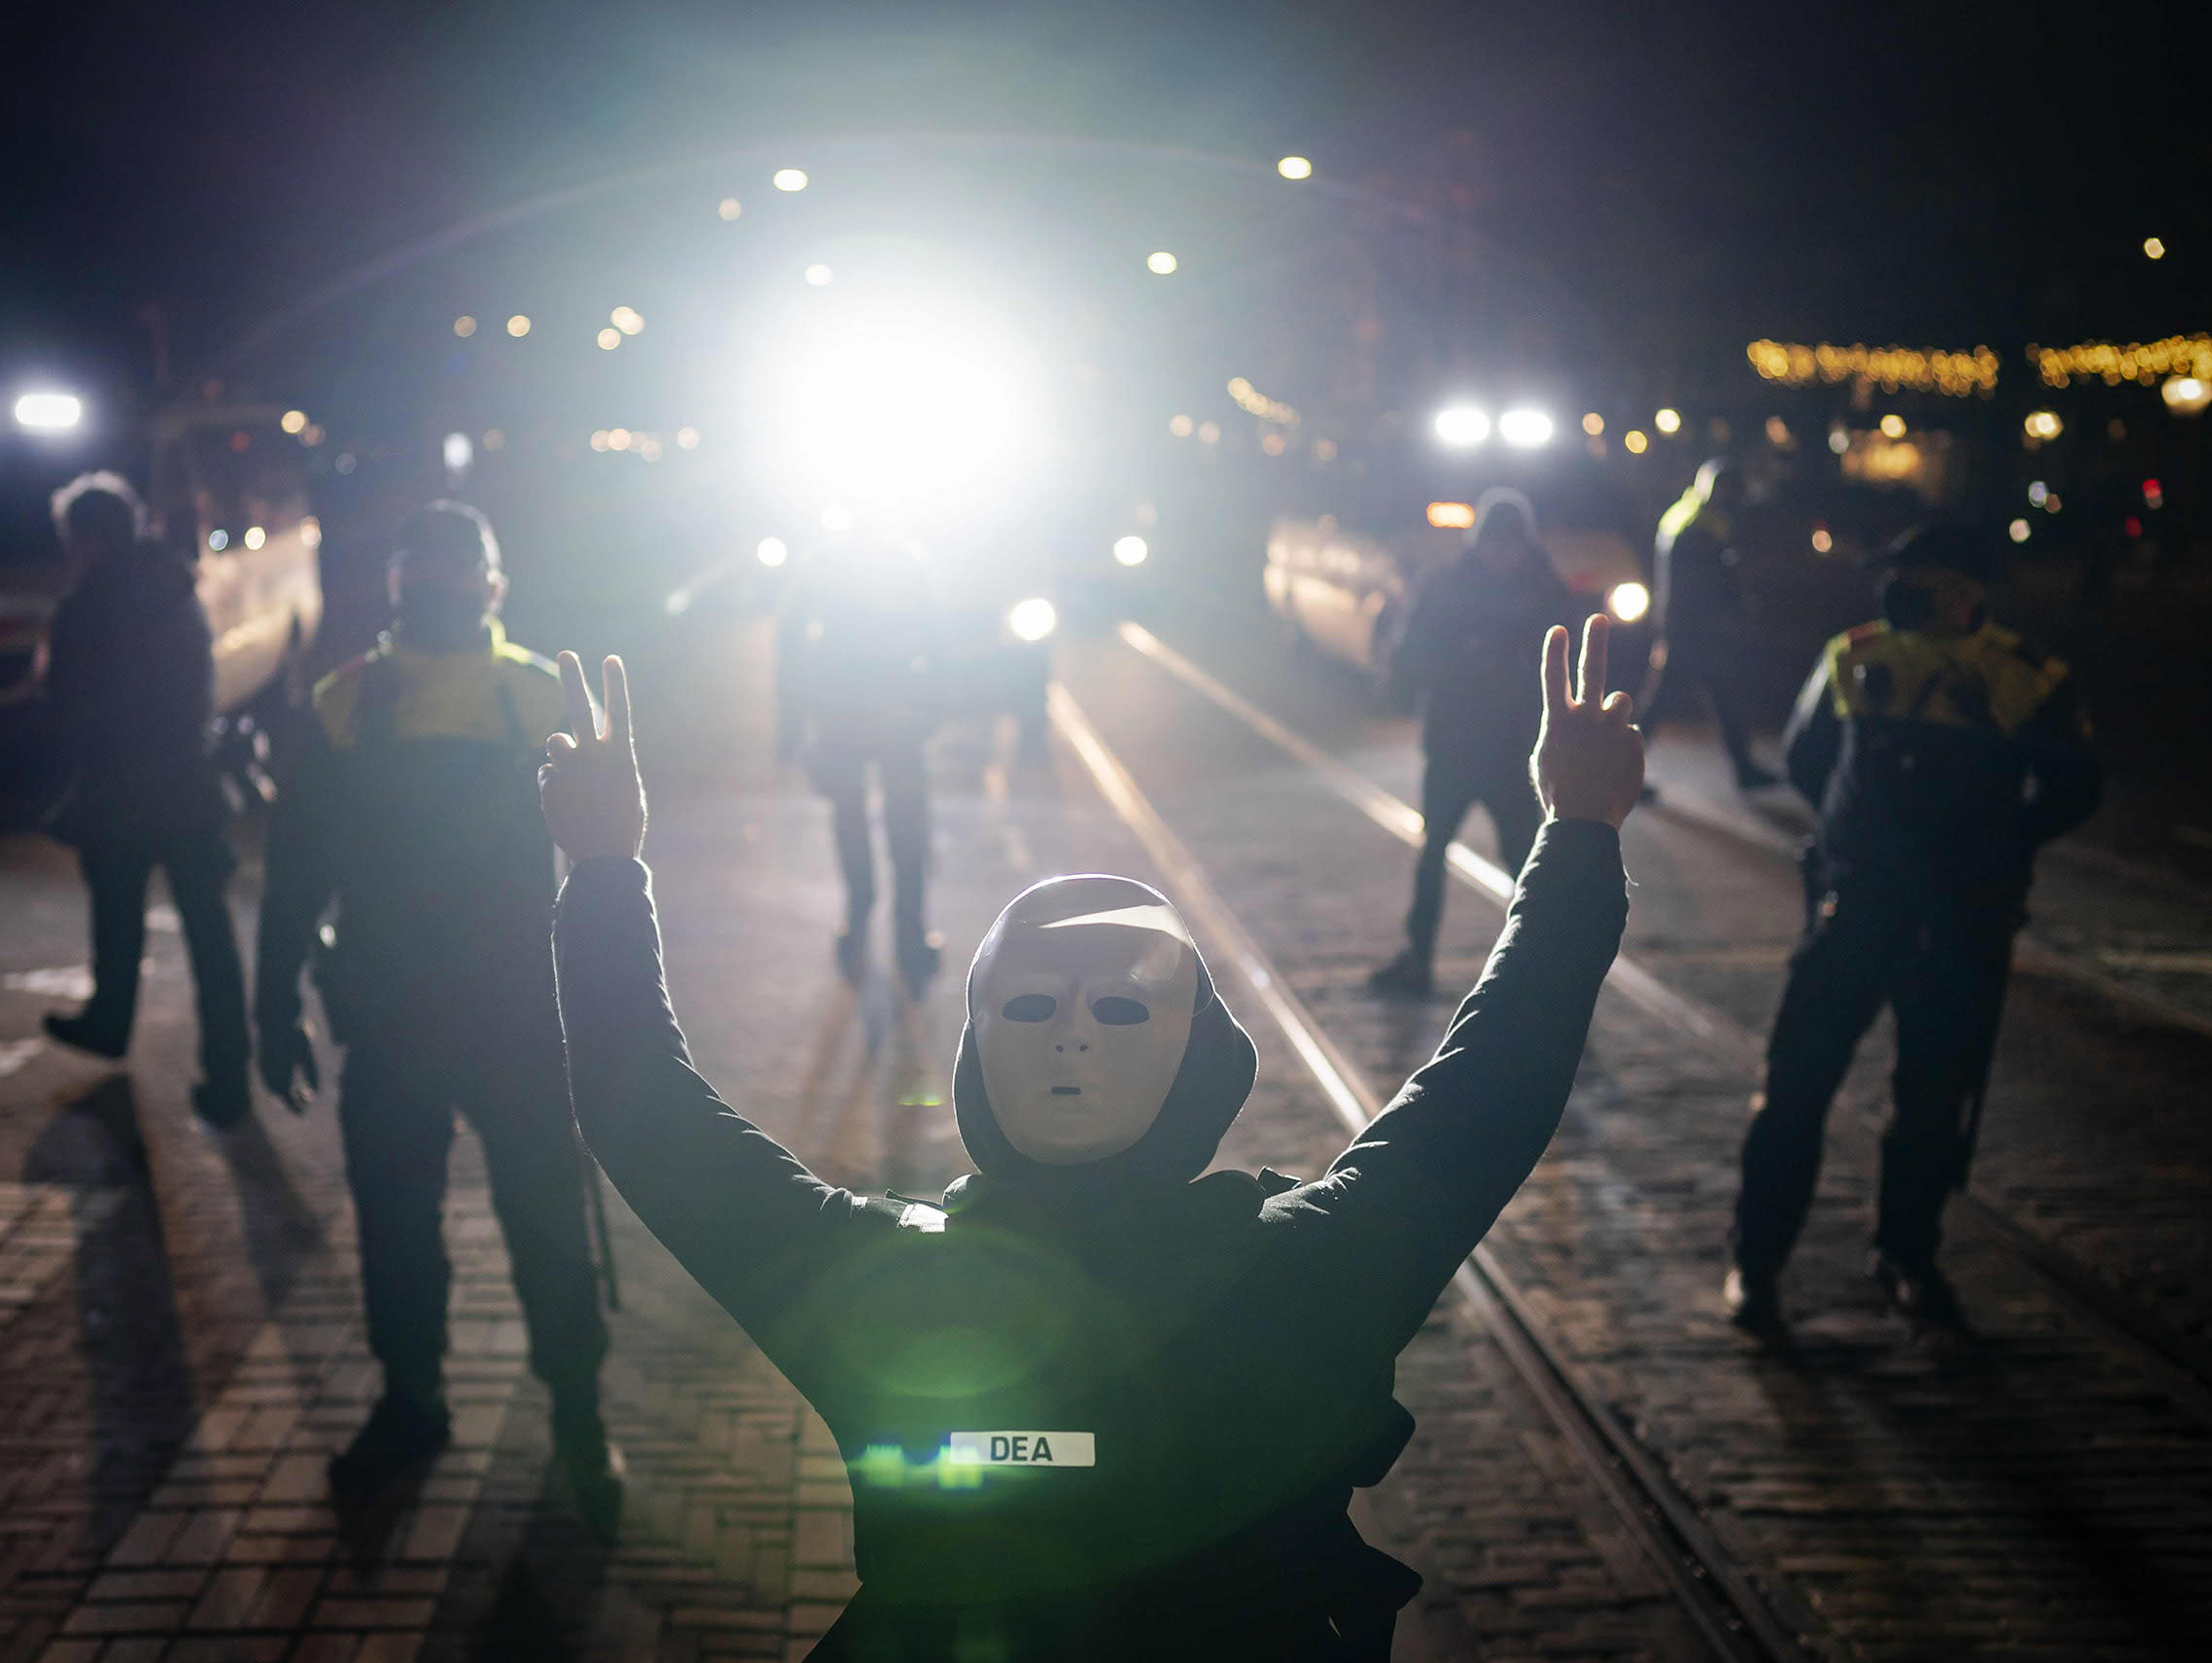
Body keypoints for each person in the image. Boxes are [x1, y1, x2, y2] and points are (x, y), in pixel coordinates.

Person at [541, 617, 1644, 1660]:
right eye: (1030, 1008)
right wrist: (1577, 834)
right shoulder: (1314, 1265)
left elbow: (644, 1111)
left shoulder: (872, 1284)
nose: (1071, 1040)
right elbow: (1493, 1083)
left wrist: (602, 869)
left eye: (1118, 1009)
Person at [252, 501, 620, 1528]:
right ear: (396, 585)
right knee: (397, 1225)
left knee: (546, 1222)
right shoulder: (343, 702)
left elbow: (606, 863)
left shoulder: (546, 694)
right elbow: (293, 875)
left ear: (494, 589)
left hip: (518, 1017)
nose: (442, 590)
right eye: (425, 573)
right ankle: (413, 1401)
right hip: (391, 1016)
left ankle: (578, 1411)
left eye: (459, 574)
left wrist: (611, 997)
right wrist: (271, 1002)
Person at [1725, 524, 2101, 1332]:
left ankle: (1907, 1253)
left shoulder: (2021, 676)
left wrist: (1998, 848)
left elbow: (2074, 784)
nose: (1898, 592)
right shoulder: (1856, 656)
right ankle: (1757, 1263)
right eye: (1895, 576)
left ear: (1968, 592)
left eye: (1918, 579)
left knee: (1931, 1104)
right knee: (1794, 1088)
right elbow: (1808, 758)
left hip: (1957, 923)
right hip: (1859, 906)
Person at [41, 471, 252, 1126]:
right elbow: (200, 687)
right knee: (209, 935)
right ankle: (229, 1070)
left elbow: (64, 706)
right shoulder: (177, 589)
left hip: (118, 792)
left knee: (117, 916)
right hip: (186, 784)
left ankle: (109, 1021)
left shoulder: (85, 608)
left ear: (88, 538)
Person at [1370, 489, 1580, 996]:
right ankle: (1421, 957)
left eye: (1509, 546)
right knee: (1443, 851)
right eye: (1496, 544)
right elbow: (1410, 657)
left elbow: (1565, 666)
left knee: (1525, 864)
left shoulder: (1522, 590)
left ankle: (1536, 965)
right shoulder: (1518, 588)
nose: (1502, 555)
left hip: (1507, 751)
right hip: (1462, 746)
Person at [775, 536, 944, 989]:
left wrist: (791, 723)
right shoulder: (906, 561)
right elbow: (938, 638)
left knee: (849, 814)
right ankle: (910, 936)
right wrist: (933, 705)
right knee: (906, 821)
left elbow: (789, 640)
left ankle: (857, 920)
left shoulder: (825, 562)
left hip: (841, 708)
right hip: (897, 706)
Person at [1640, 458, 1778, 791]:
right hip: (1696, 630)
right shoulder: (1701, 524)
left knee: (1715, 697)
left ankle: (1745, 770)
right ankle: (1616, 774)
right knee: (1686, 700)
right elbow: (1710, 583)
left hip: (1684, 627)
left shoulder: (1686, 514)